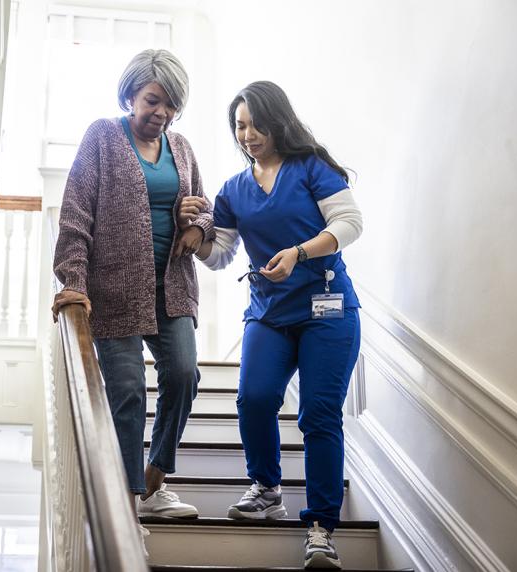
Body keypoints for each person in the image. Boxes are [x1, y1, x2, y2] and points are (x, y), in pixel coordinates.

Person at [182, 80, 363, 570]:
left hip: (328, 313)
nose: (248, 134)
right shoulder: (235, 190)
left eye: (257, 124)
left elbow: (349, 223)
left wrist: (301, 251)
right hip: (268, 313)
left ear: (277, 121)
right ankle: (266, 488)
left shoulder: (311, 169)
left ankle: (321, 528)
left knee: (319, 415)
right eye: (240, 126)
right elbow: (219, 254)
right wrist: (192, 235)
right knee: (254, 397)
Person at [52, 49, 214, 545]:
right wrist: (73, 281)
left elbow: (205, 215)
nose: (161, 113)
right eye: (152, 100)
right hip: (115, 289)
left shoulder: (181, 148)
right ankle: (126, 508)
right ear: (130, 94)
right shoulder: (102, 136)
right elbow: (76, 213)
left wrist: (197, 224)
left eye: (170, 106)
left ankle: (155, 478)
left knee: (184, 373)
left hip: (173, 289)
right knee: (126, 393)